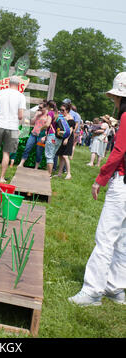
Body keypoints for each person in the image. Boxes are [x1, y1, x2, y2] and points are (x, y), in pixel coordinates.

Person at [69, 72, 126, 306]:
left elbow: (119, 151)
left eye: (115, 97)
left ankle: (93, 291)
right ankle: (116, 288)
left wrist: (100, 179)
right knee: (123, 240)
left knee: (105, 238)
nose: (113, 101)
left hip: (122, 182)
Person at [0, 76, 26, 184]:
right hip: (13, 128)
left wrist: (0, 112)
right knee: (6, 153)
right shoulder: (21, 96)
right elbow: (20, 115)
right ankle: (1, 178)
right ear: (18, 85)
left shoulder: (0, 92)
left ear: (9, 83)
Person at [18, 102, 48, 169]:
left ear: (45, 108)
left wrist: (45, 136)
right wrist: (35, 116)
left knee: (39, 151)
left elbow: (49, 127)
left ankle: (36, 167)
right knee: (27, 147)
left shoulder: (48, 116)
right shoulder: (38, 114)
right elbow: (32, 122)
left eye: (41, 108)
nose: (39, 109)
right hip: (33, 134)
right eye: (39, 107)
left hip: (42, 135)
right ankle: (21, 163)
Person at [40, 100, 62, 177]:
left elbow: (47, 124)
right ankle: (49, 173)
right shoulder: (58, 114)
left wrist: (41, 128)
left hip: (52, 136)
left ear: (49, 106)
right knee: (52, 156)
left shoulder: (50, 113)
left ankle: (48, 175)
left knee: (49, 156)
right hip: (59, 137)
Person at [53, 102, 75, 180]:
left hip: (68, 138)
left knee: (65, 156)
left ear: (67, 110)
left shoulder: (70, 118)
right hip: (61, 138)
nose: (61, 111)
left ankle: (69, 173)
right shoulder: (61, 117)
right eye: (60, 110)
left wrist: (66, 138)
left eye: (63, 110)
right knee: (60, 156)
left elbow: (71, 130)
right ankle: (59, 173)